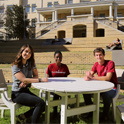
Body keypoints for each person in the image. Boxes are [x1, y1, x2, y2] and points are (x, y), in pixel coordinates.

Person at [11, 44, 48, 124]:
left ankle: (23, 116)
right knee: (40, 103)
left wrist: (27, 82)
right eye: (26, 51)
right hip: (17, 93)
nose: (27, 54)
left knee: (43, 104)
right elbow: (24, 79)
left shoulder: (31, 64)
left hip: (25, 90)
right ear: (21, 52)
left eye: (30, 52)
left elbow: (35, 75)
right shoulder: (15, 65)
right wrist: (40, 80)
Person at [83, 47, 118, 121]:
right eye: (97, 55)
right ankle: (91, 112)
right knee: (85, 92)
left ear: (104, 55)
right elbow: (90, 75)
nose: (98, 57)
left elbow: (108, 78)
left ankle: (105, 115)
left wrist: (92, 77)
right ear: (95, 56)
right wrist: (87, 76)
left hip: (112, 88)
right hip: (101, 88)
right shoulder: (96, 64)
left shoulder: (110, 63)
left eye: (100, 55)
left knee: (106, 94)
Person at [46, 50, 70, 115]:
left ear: (62, 58)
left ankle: (63, 110)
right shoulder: (50, 66)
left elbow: (66, 78)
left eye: (60, 57)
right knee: (57, 93)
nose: (58, 58)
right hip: (53, 87)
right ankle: (55, 110)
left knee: (67, 93)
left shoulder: (65, 66)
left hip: (63, 87)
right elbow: (47, 78)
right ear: (54, 57)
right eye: (57, 57)